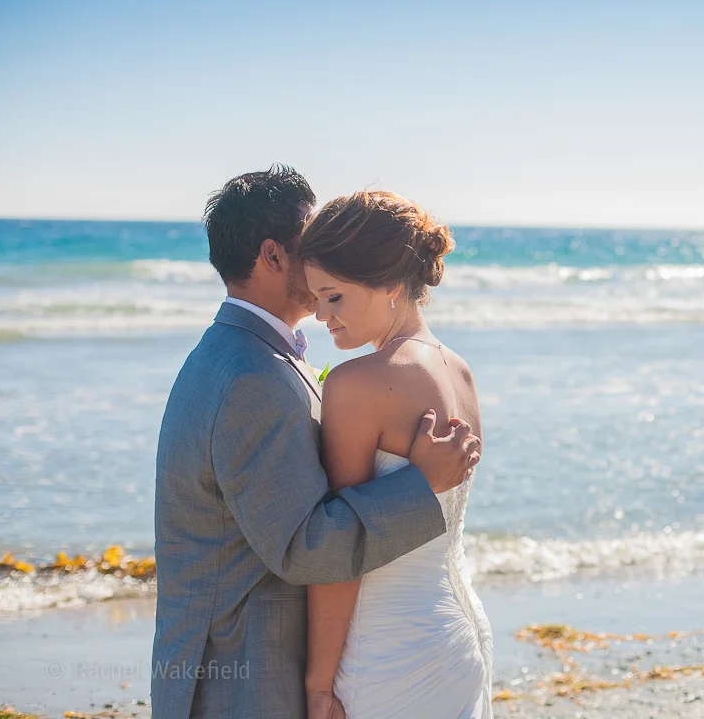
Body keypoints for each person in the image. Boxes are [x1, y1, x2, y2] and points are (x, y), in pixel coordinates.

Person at [151, 165, 481, 718]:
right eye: (312, 241)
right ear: (274, 256)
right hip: (241, 679)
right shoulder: (249, 376)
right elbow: (307, 549)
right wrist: (423, 486)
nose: (326, 251)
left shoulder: (248, 355)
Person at [298, 191, 493, 718]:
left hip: (386, 652)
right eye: (315, 297)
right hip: (459, 631)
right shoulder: (459, 371)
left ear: (387, 285)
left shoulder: (357, 384)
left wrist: (318, 684)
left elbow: (342, 554)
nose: (319, 314)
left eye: (333, 297)